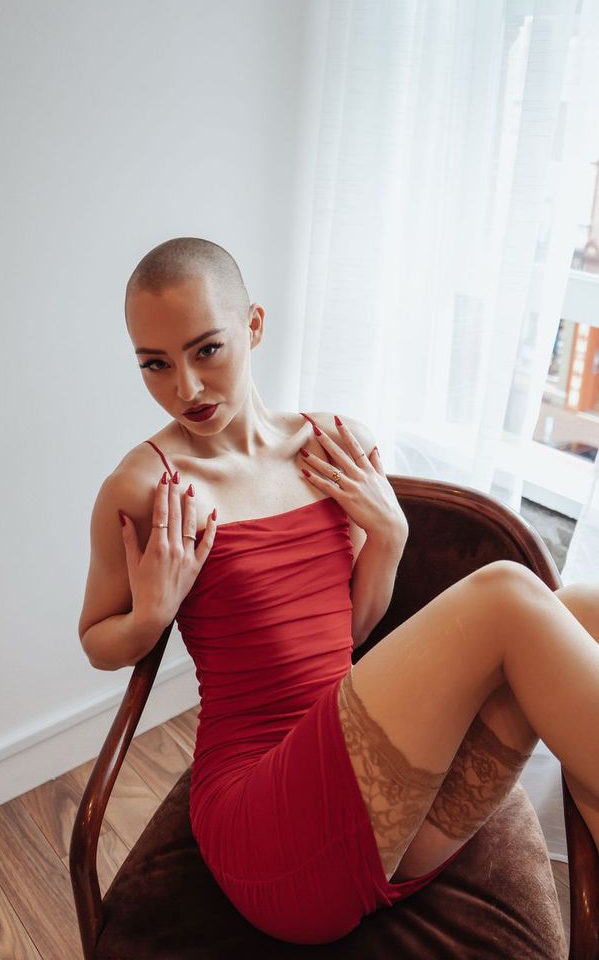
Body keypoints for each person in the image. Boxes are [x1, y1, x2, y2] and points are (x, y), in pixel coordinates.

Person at [78, 236, 599, 946]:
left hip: (382, 805)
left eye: (206, 350)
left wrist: (388, 538)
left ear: (253, 325)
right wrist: (151, 616)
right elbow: (96, 640)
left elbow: (346, 636)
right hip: (264, 826)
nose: (186, 389)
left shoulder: (335, 444)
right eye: (156, 365)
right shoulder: (142, 487)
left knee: (582, 607)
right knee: (508, 594)